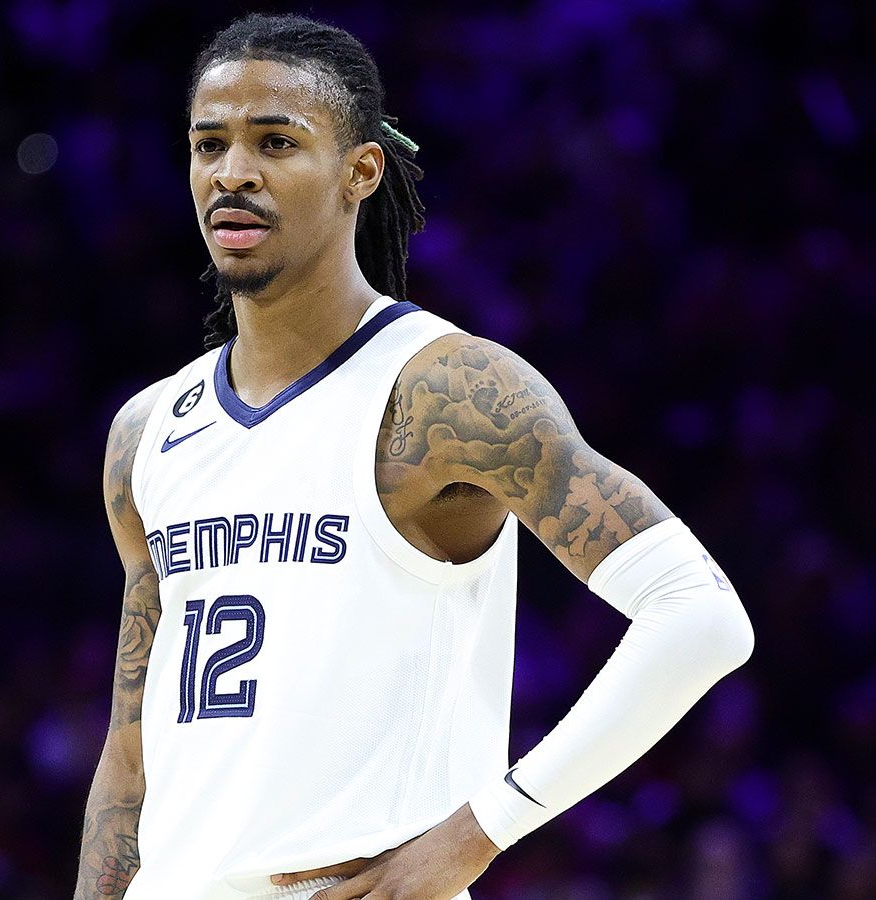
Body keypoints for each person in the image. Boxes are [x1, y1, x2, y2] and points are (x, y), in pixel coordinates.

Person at [73, 13, 754, 900]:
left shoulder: (443, 393)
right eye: (210, 145)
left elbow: (699, 617)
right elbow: (130, 755)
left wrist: (479, 832)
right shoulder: (148, 431)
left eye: (275, 142)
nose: (232, 173)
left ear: (361, 171)